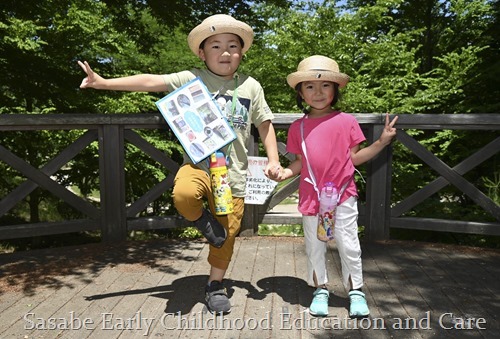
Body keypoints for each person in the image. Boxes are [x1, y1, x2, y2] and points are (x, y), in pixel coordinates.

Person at [78, 14, 281, 314]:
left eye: (232, 46)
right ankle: (201, 220)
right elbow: (151, 81)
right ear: (202, 53)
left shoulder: (251, 86)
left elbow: (264, 124)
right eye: (216, 46)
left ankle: (215, 284)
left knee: (225, 237)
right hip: (198, 166)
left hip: (234, 176)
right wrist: (103, 82)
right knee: (183, 195)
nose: (225, 52)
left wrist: (274, 159)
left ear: (242, 52)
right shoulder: (192, 78)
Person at [277, 55, 398, 318]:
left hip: (342, 194)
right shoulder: (297, 127)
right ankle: (320, 289)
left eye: (325, 86)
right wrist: (285, 172)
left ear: (336, 89)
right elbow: (300, 162)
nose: (318, 92)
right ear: (300, 92)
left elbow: (355, 157)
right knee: (314, 244)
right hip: (311, 196)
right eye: (309, 86)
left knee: (348, 243)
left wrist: (381, 143)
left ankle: (355, 291)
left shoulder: (346, 121)